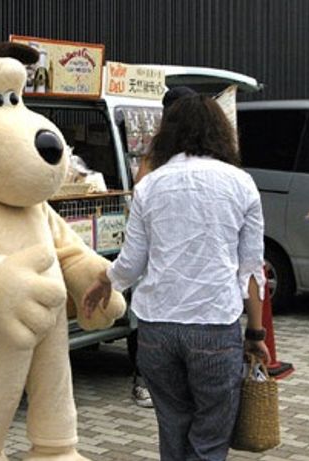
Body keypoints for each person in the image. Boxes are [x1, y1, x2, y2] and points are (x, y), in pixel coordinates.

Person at [83, 94, 270, 460]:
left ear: (167, 134)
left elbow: (131, 261)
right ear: (221, 133)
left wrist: (106, 280)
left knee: (173, 427)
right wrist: (256, 333)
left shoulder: (150, 185)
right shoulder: (242, 184)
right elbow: (252, 268)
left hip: (157, 329)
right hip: (214, 325)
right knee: (211, 437)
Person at [129, 85, 198, 409]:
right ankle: (143, 380)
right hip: (159, 246)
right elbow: (140, 187)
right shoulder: (161, 146)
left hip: (177, 247)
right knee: (147, 312)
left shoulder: (197, 146)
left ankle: (155, 380)